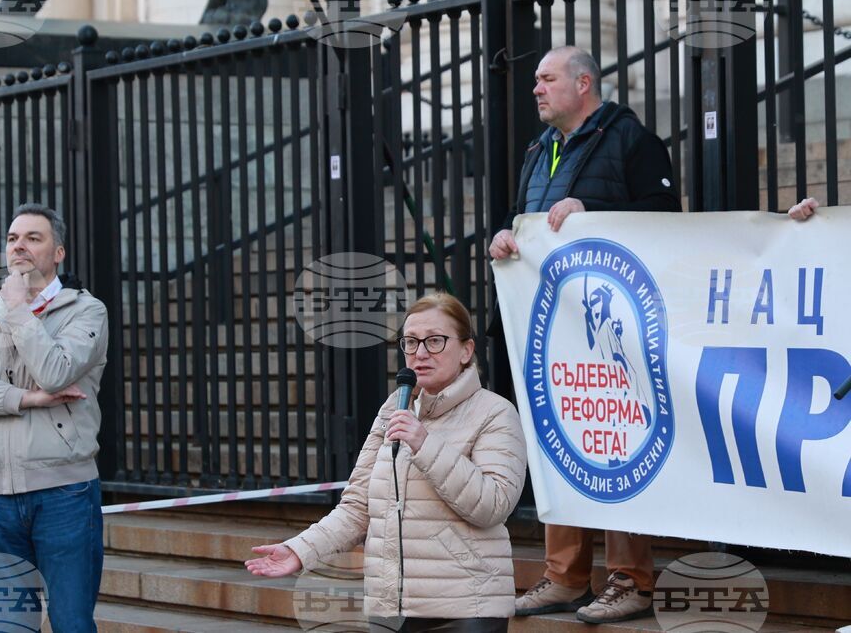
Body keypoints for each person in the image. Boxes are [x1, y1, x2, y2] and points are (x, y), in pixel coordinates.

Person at [488, 46, 681, 624]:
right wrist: (507, 238)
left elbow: (666, 212)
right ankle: (563, 577)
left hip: (614, 328)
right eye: (536, 82)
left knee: (613, 441)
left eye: (547, 80)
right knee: (562, 444)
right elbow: (528, 219)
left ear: (584, 83)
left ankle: (631, 581)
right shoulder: (538, 149)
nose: (536, 90)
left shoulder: (630, 140)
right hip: (555, 330)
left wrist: (591, 207)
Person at [245, 293, 527, 633]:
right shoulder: (395, 407)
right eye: (410, 342)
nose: (420, 353)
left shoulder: (494, 413)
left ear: (466, 350)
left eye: (435, 341)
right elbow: (357, 508)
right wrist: (300, 551)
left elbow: (493, 505)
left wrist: (425, 443)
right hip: (391, 607)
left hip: (466, 608)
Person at [0, 203, 109, 632]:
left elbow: (57, 371)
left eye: (33, 238)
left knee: (71, 622)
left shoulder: (86, 311)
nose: (20, 247)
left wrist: (18, 310)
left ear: (58, 253)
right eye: (13, 239)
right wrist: (27, 399)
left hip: (64, 493)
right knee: (10, 626)